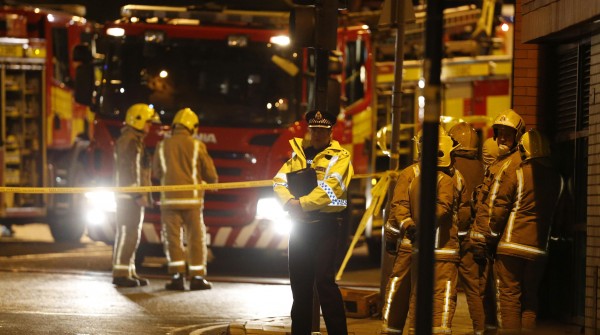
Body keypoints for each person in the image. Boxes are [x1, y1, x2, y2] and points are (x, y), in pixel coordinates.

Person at [273, 110, 353, 335]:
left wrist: (302, 204)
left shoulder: (340, 157)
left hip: (325, 225)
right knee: (300, 287)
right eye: (314, 130)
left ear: (330, 132)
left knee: (325, 284)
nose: (317, 135)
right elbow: (278, 181)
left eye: (322, 131)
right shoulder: (299, 154)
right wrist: (289, 202)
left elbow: (331, 188)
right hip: (299, 227)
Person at [490, 129, 563, 333]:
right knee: (530, 300)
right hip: (539, 250)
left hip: (512, 245)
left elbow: (500, 208)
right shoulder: (559, 180)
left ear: (524, 149)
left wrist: (493, 234)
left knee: (509, 297)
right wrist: (553, 241)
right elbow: (559, 218)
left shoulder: (519, 173)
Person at [381, 126, 448, 334]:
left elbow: (397, 208)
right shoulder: (446, 176)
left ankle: (394, 330)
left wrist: (395, 234)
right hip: (431, 247)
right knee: (411, 294)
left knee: (401, 292)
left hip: (414, 245)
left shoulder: (411, 173)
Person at [468, 109, 526, 332]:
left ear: (518, 136)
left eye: (507, 134)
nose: (502, 138)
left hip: (498, 243)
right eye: (499, 133)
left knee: (501, 300)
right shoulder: (503, 164)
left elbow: (494, 207)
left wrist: (484, 240)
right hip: (499, 242)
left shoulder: (509, 166)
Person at [152, 108, 218, 291]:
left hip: (169, 201)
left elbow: (157, 172)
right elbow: (210, 173)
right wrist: (212, 182)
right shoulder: (197, 146)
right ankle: (197, 277)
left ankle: (177, 277)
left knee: (172, 239)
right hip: (192, 201)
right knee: (196, 238)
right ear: (192, 126)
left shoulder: (162, 145)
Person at [404, 133, 464, 335]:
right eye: (452, 155)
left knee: (417, 295)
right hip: (444, 250)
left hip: (420, 250)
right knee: (443, 295)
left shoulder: (416, 180)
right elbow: (444, 207)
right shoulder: (445, 180)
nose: (455, 160)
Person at [112, 103, 159, 287]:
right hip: (128, 197)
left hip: (132, 196)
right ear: (138, 121)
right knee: (127, 234)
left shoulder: (134, 139)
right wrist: (136, 193)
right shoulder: (129, 140)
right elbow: (127, 170)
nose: (150, 126)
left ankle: (128, 271)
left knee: (132, 234)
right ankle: (121, 273)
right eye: (148, 122)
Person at [448, 122, 487, 334]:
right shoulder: (482, 168)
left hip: (453, 237)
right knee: (474, 290)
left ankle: (443, 327)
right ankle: (480, 330)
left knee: (447, 288)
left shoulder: (451, 166)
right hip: (475, 238)